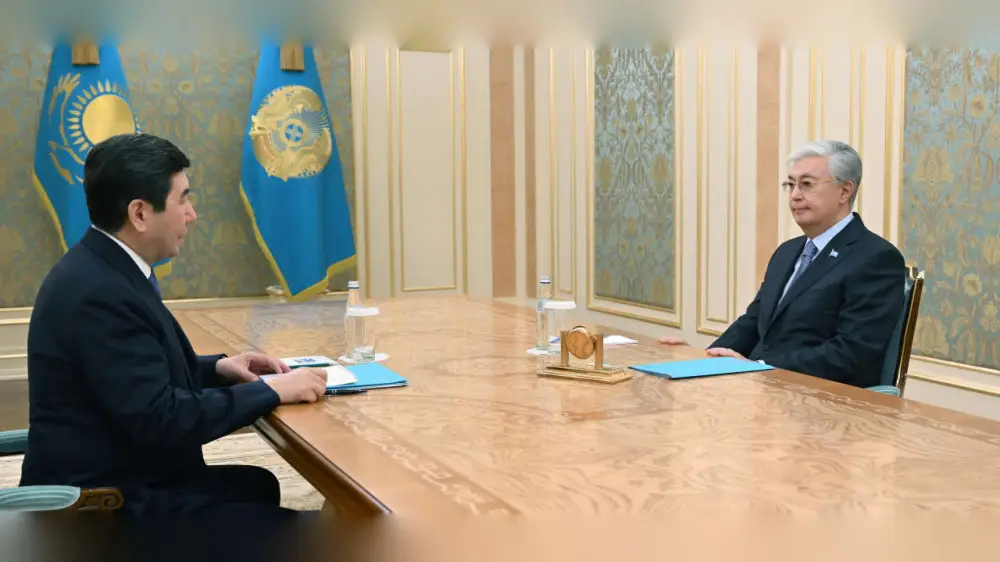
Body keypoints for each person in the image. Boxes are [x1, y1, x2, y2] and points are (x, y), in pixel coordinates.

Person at [20, 133, 329, 523]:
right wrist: (270, 391)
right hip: (101, 509)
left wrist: (218, 369)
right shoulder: (99, 292)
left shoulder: (104, 267)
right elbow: (160, 419)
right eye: (182, 199)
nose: (191, 214)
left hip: (126, 473)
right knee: (312, 537)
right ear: (139, 213)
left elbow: (130, 374)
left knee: (258, 485)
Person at [661, 140, 906, 388]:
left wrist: (759, 367)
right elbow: (753, 322)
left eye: (807, 184)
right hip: (761, 387)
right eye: (791, 185)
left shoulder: (876, 258)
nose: (795, 195)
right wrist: (706, 360)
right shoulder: (787, 251)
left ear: (845, 191)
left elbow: (851, 354)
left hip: (818, 397)